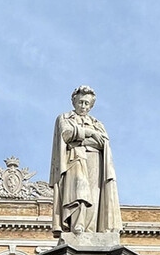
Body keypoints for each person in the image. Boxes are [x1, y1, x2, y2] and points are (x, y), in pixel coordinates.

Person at [50, 86, 122, 237]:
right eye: (81, 102)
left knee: (94, 197)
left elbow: (103, 143)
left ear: (91, 106)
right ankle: (78, 226)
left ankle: (91, 230)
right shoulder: (64, 118)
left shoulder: (97, 123)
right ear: (74, 101)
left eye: (87, 104)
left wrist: (80, 139)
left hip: (95, 160)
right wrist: (89, 134)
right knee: (78, 193)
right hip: (74, 159)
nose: (83, 106)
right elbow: (66, 134)